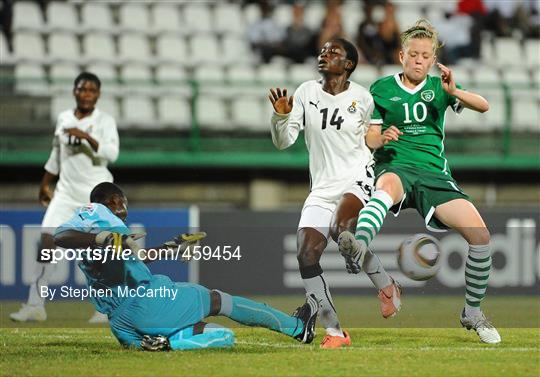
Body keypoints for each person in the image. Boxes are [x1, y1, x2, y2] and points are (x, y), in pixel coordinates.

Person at [338, 19, 501, 344]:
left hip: (434, 175)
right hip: (397, 165)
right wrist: (381, 137)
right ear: (402, 56)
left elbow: (484, 106)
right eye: (413, 54)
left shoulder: (441, 87)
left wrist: (454, 92)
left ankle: (472, 312)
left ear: (432, 58)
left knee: (480, 236)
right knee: (385, 189)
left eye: (425, 55)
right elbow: (370, 139)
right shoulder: (381, 89)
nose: (418, 60)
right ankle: (358, 244)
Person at [52, 182, 318, 350]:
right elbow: (59, 236)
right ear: (113, 200)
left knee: (221, 336)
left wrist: (170, 247)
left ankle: (163, 342)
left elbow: (131, 259)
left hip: (122, 326)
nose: (125, 209)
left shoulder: (104, 234)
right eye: (123, 203)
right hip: (145, 303)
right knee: (216, 300)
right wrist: (104, 237)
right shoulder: (99, 213)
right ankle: (297, 328)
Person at [269, 38, 402, 349]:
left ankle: (384, 284)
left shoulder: (363, 98)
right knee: (305, 252)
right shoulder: (305, 93)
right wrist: (280, 117)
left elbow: (371, 139)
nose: (324, 54)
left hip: (357, 179)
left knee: (340, 231)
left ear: (349, 64)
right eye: (323, 51)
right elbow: (283, 142)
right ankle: (337, 331)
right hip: (322, 187)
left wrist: (381, 139)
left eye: (334, 52)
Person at [10, 72, 119, 324]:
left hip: (95, 196)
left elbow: (112, 154)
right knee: (47, 241)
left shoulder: (105, 121)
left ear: (98, 94)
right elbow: (56, 155)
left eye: (92, 90)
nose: (87, 94)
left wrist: (87, 136)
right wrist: (44, 184)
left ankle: (104, 308)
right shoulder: (64, 119)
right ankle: (35, 305)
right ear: (75, 92)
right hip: (65, 193)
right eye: (82, 89)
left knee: (99, 251)